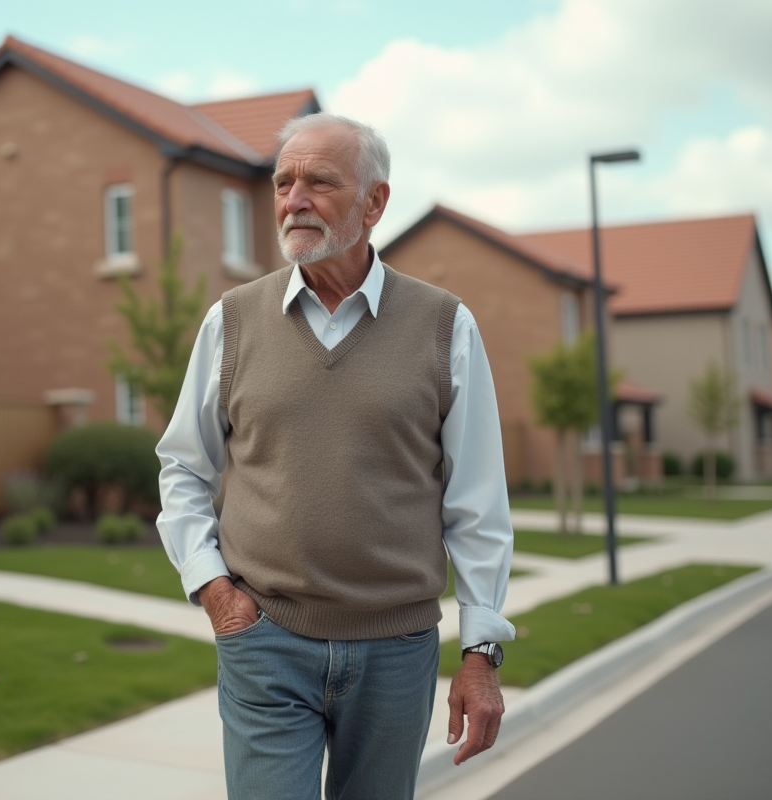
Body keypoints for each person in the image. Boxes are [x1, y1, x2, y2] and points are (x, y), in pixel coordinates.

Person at [155, 112, 515, 800]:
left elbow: (478, 501)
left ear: (374, 201)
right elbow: (183, 466)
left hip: (398, 650)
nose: (294, 199)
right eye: (283, 182)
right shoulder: (231, 320)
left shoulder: (445, 325)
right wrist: (214, 590)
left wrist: (480, 653)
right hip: (265, 639)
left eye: (319, 181)